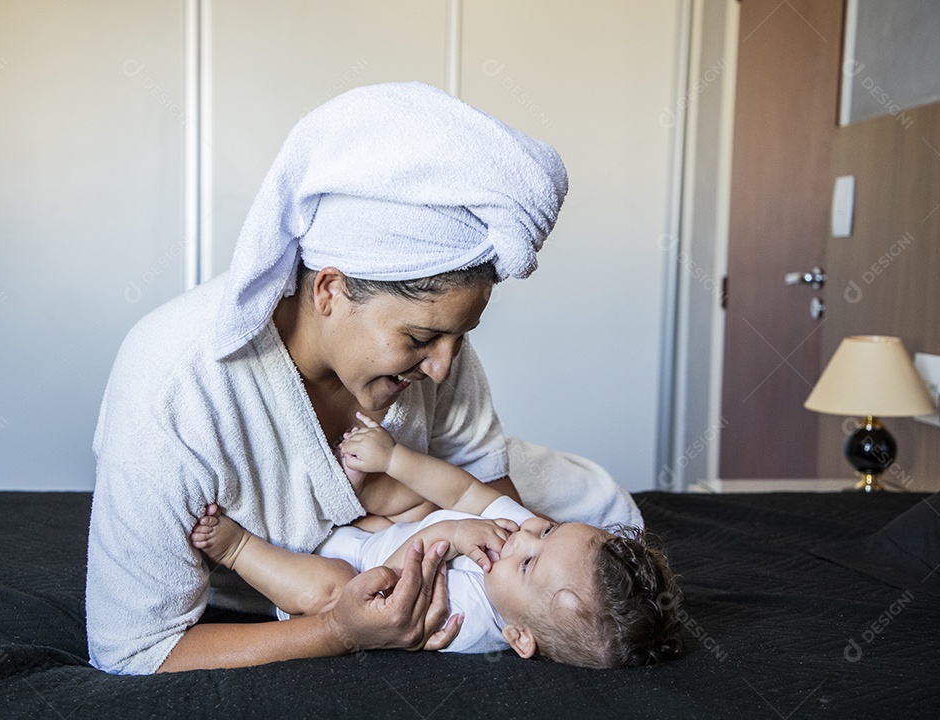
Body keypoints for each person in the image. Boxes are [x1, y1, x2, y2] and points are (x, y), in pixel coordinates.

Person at [85, 81, 628, 675]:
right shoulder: (176, 388)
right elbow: (135, 652)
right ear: (329, 290)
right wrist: (337, 632)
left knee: (599, 521)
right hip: (304, 580)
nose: (443, 368)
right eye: (419, 339)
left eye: (461, 337)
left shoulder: (442, 356)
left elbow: (497, 512)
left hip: (424, 523)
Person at [189, 414, 684, 668]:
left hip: (358, 577)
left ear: (518, 637)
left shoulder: (466, 623)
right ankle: (366, 488)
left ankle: (236, 549)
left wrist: (448, 533)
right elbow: (466, 490)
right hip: (379, 534)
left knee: (330, 589)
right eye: (551, 529)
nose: (526, 536)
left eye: (529, 565)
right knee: (428, 502)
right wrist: (393, 459)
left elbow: (387, 584)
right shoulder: (519, 532)